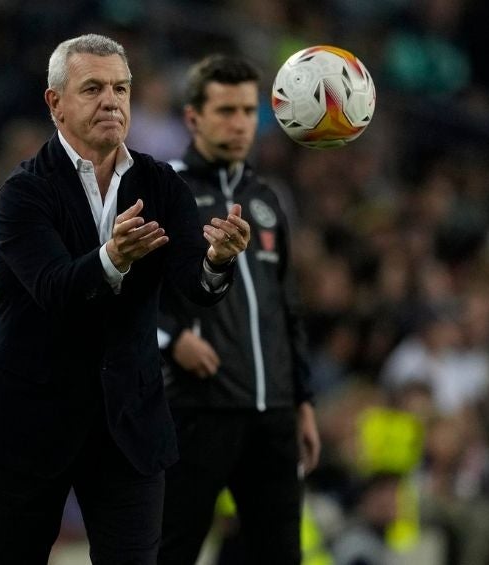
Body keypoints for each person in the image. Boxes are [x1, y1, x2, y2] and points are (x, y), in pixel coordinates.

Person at [0, 34, 250, 564]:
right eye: (93, 88)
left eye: (121, 87)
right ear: (55, 103)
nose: (112, 101)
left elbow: (195, 287)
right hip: (30, 421)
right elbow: (55, 289)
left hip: (128, 425)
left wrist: (218, 261)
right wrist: (113, 257)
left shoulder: (162, 184)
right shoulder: (22, 193)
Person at [156, 54, 320, 565]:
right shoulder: (164, 190)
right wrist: (170, 340)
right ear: (193, 118)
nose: (240, 123)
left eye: (248, 111)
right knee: (171, 549)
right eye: (226, 110)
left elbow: (287, 306)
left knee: (280, 555)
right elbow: (126, 292)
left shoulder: (267, 198)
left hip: (271, 412)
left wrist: (302, 401)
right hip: (197, 409)